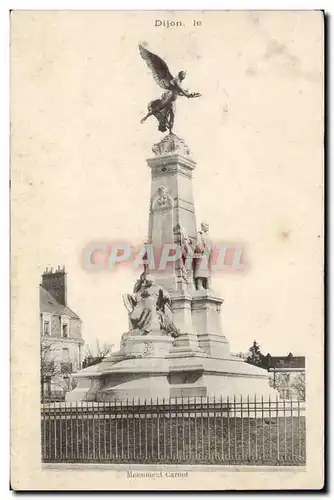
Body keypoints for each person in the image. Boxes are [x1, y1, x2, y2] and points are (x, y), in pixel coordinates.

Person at [193, 221, 212, 291]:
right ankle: (199, 285)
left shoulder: (207, 235)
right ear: (203, 226)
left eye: (208, 225)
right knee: (200, 269)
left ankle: (207, 285)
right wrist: (202, 251)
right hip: (202, 254)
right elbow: (198, 243)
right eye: (206, 225)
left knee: (207, 270)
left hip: (207, 255)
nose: (208, 227)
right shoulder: (199, 234)